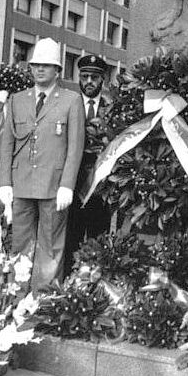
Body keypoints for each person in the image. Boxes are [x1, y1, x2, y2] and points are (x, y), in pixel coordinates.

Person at [0, 38, 84, 291]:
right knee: (20, 242)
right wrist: (5, 182)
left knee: (50, 244)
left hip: (53, 186)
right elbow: (7, 144)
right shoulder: (17, 100)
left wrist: (67, 185)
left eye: (46, 66)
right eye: (35, 65)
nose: (39, 70)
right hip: (21, 183)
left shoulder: (71, 100)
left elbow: (74, 147)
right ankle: (17, 294)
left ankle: (43, 298)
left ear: (58, 70)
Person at [64, 54, 110, 275]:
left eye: (94, 77)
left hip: (101, 188)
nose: (89, 81)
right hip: (71, 185)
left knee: (98, 239)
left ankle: (96, 288)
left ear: (103, 80)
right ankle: (69, 284)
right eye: (84, 76)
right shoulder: (66, 104)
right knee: (70, 238)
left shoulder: (112, 108)